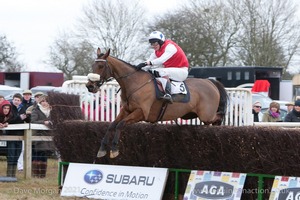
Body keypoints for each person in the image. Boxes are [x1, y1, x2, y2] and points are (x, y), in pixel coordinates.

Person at [136, 31, 189, 103]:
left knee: (160, 71)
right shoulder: (156, 51)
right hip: (171, 70)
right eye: (152, 43)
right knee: (151, 71)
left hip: (181, 71)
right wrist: (138, 68)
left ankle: (168, 94)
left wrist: (148, 63)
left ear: (161, 42)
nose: (153, 45)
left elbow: (160, 60)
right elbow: (149, 62)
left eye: (155, 43)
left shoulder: (170, 47)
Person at [6, 93, 30, 177]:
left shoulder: (22, 108)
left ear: (20, 101)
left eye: (18, 100)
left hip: (20, 134)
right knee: (11, 154)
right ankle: (9, 174)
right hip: (11, 134)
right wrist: (19, 118)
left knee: (17, 154)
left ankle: (13, 174)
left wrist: (28, 116)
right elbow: (9, 120)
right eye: (15, 100)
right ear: (13, 100)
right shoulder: (9, 108)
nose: (17, 101)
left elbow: (27, 120)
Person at [31, 95, 54, 178]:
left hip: (48, 136)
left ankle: (42, 175)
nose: (45, 103)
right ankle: (35, 174)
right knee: (38, 154)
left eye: (46, 101)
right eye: (43, 101)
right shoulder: (36, 110)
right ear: (40, 102)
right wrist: (44, 122)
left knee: (44, 155)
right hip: (38, 135)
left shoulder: (51, 111)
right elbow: (33, 120)